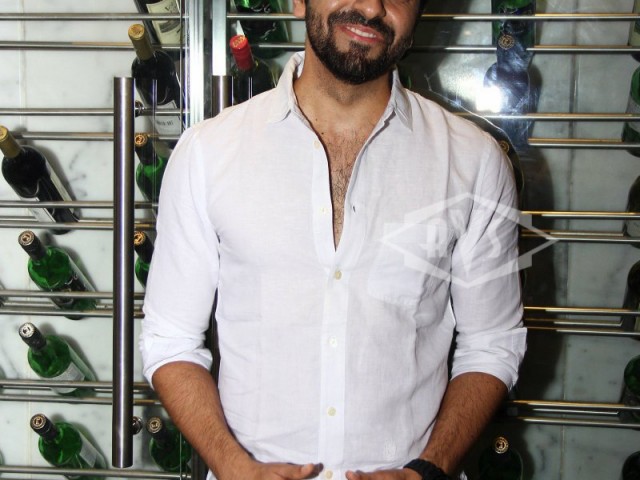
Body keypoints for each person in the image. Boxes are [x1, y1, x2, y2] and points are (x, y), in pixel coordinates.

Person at [139, 0, 527, 478]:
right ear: (298, 2)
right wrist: (231, 465)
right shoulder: (206, 154)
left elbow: (492, 343)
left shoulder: (475, 162)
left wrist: (429, 469)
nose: (372, 7)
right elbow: (170, 340)